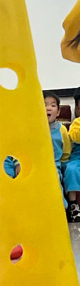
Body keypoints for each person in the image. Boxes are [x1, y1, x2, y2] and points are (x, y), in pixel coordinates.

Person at [44, 92, 70, 208]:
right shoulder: (31, 128)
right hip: (36, 165)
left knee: (53, 177)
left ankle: (60, 208)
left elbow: (66, 152)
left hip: (54, 165)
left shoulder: (62, 130)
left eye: (53, 105)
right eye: (44, 105)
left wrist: (62, 166)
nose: (48, 108)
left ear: (58, 112)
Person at [64, 89, 80, 222]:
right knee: (71, 170)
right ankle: (73, 205)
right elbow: (75, 137)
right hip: (77, 157)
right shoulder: (77, 123)